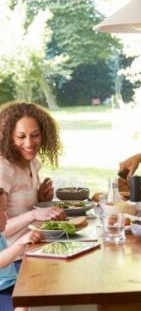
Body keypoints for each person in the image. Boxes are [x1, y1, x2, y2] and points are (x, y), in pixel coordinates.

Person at [0, 102, 65, 245]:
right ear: (8, 137)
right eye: (21, 136)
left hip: (34, 247)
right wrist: (34, 213)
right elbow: (1, 230)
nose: (29, 144)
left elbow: (19, 208)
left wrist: (39, 201)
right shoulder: (3, 167)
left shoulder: (32, 163)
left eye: (35, 135)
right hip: (12, 260)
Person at [0, 187, 43, 311]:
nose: (7, 215)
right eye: (2, 210)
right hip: (2, 291)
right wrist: (20, 243)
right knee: (25, 303)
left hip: (11, 284)